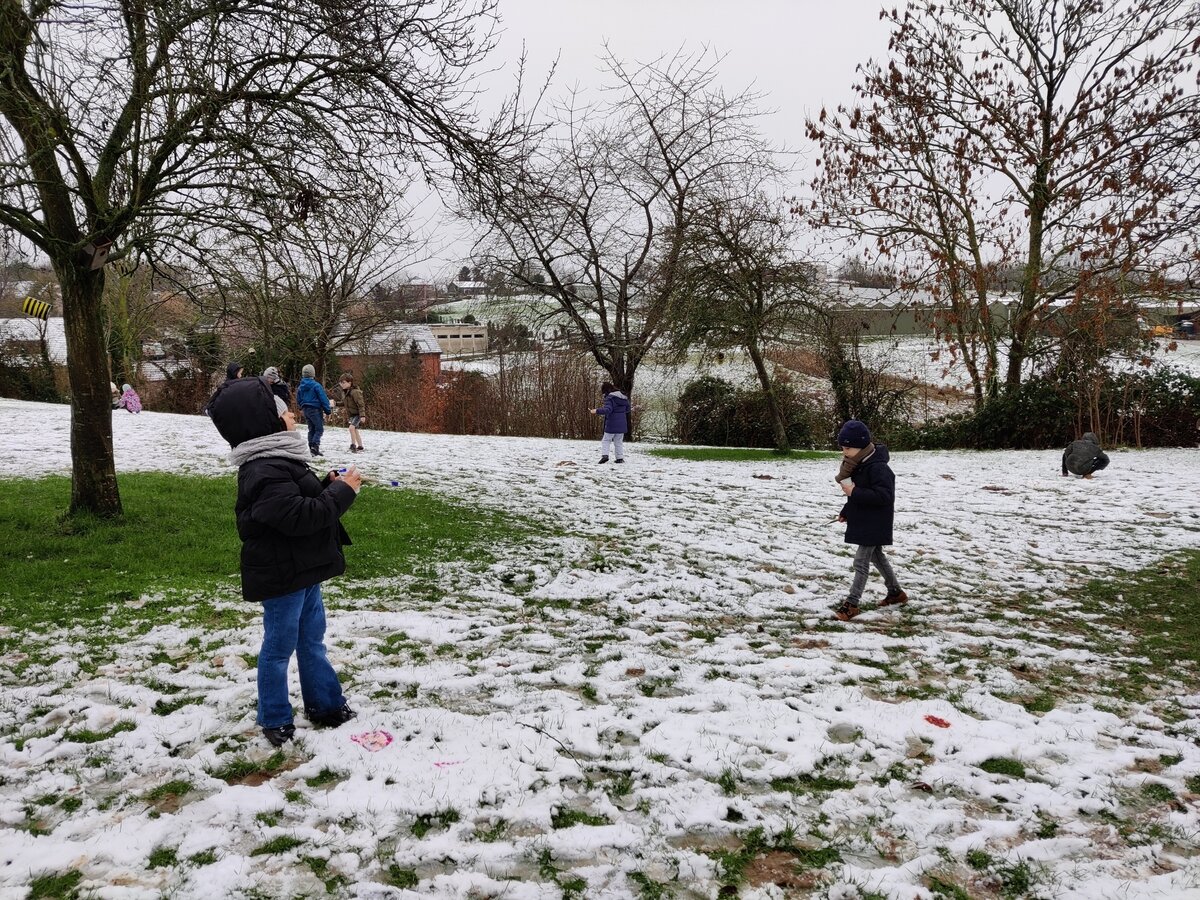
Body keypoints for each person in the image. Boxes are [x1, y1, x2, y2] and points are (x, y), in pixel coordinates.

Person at [206, 376, 361, 746]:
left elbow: (298, 503)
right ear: (268, 424)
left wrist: (326, 485)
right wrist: (342, 493)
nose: (293, 415)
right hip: (282, 576)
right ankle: (274, 717)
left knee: (312, 641)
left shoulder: (279, 459)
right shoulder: (263, 469)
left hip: (302, 570)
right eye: (284, 412)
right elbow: (298, 517)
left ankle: (325, 704)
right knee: (278, 648)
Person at [832, 420, 907, 622]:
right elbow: (856, 495)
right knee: (877, 556)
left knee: (861, 561)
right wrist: (847, 510)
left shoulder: (879, 468)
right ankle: (895, 592)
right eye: (843, 448)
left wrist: (854, 491)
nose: (844, 452)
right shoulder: (858, 464)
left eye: (848, 448)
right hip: (865, 519)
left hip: (875, 522)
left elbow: (884, 496)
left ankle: (852, 603)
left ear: (861, 446)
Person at [295, 364, 332, 457]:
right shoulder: (316, 386)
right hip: (315, 409)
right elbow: (323, 398)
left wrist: (301, 407)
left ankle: (311, 447)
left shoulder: (300, 387)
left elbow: (298, 398)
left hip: (306, 410)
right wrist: (327, 410)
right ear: (313, 374)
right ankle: (315, 447)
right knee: (319, 429)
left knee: (311, 429)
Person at [589, 381, 631, 464]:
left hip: (612, 423)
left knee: (606, 440)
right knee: (618, 442)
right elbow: (628, 409)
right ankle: (619, 458)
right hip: (622, 424)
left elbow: (608, 410)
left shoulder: (610, 398)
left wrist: (596, 411)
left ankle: (605, 456)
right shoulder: (624, 398)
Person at [338, 373, 366, 453]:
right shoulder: (345, 393)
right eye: (341, 383)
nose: (342, 384)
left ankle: (353, 445)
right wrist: (335, 403)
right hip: (352, 415)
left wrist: (362, 415)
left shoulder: (355, 392)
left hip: (358, 414)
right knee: (355, 430)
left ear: (349, 382)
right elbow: (344, 403)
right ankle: (360, 446)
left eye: (343, 382)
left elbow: (361, 404)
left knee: (351, 428)